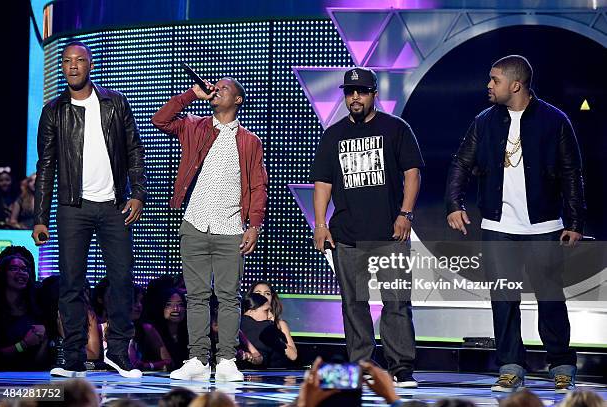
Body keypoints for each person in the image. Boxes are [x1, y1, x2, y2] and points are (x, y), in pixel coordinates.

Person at [445, 55, 584, 393]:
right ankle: (510, 367)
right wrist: (453, 204)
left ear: (515, 84)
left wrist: (575, 221)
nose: (488, 86)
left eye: (494, 80)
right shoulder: (484, 121)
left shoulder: (554, 121)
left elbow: (571, 173)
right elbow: (461, 163)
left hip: (544, 226)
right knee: (503, 300)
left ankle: (562, 365)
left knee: (551, 298)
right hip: (498, 225)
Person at [33, 40, 147, 378]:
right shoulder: (54, 111)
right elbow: (46, 166)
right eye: (66, 61)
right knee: (70, 283)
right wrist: (40, 218)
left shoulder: (115, 103)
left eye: (78, 60)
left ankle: (119, 353)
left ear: (90, 64)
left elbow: (134, 151)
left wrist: (138, 193)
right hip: (73, 207)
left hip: (114, 205)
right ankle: (72, 357)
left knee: (123, 278)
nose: (71, 66)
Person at [311, 67, 424, 387]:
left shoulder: (395, 128)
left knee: (397, 302)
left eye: (360, 91)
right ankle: (361, 364)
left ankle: (401, 367)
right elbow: (322, 183)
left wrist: (406, 214)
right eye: (349, 92)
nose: (354, 97)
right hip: (347, 235)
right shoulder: (333, 135)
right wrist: (320, 224)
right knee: (354, 304)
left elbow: (413, 173)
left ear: (374, 94)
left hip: (390, 234)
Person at [152, 76, 267, 381]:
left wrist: (253, 225)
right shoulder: (194, 125)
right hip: (194, 223)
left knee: (229, 296)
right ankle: (198, 360)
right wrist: (192, 93)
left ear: (238, 100)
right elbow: (160, 120)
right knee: (196, 296)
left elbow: (258, 186)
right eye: (215, 86)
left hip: (230, 228)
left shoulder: (249, 140)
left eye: (225, 88)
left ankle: (227, 359)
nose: (217, 90)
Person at [0, 250, 49, 370]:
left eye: (24, 270)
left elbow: (40, 362)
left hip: (31, 377)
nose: (21, 273)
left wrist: (45, 337)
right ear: (2, 274)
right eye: (14, 268)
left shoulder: (36, 308)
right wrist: (23, 344)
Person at [247, 281, 297, 364]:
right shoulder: (243, 322)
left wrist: (271, 326)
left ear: (272, 297)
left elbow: (293, 356)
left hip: (275, 371)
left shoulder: (280, 324)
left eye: (267, 293)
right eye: (258, 293)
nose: (263, 296)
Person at [146, 287, 190, 370]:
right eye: (169, 304)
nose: (176, 309)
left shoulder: (191, 332)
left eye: (180, 304)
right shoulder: (151, 330)